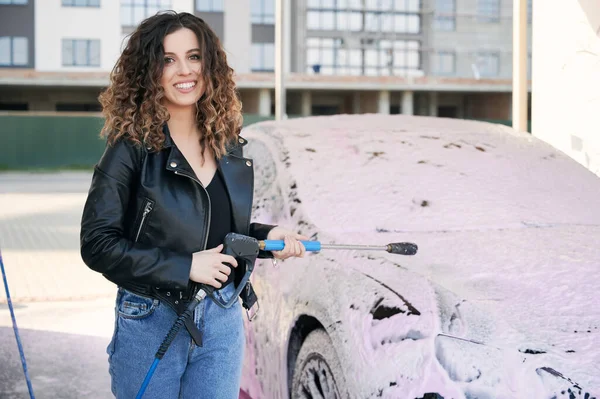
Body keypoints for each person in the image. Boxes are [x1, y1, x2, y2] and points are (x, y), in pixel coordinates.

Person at [79, 11, 308, 399]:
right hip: (151, 318)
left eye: (194, 56)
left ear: (210, 65)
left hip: (221, 318)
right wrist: (186, 267)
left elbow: (223, 233)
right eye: (168, 59)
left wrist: (270, 238)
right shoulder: (129, 148)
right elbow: (97, 244)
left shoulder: (228, 145)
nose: (184, 70)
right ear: (148, 72)